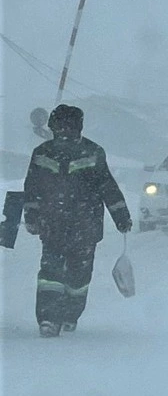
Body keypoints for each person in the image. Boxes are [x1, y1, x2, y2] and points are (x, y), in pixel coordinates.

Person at [23, 104, 133, 337]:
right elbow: (32, 188)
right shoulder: (82, 152)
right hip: (75, 226)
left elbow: (107, 188)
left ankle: (63, 317)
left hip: (67, 225)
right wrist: (121, 217)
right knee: (63, 273)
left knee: (68, 275)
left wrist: (121, 215)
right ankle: (52, 318)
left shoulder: (48, 152)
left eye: (65, 125)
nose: (62, 130)